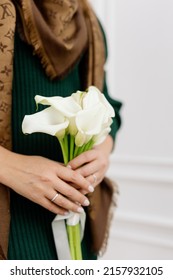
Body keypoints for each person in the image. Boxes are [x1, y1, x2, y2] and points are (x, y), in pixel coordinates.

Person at [0, 0, 122, 260]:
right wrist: (10, 167)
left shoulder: (87, 22)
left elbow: (108, 104)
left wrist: (103, 150)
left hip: (74, 227)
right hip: (10, 233)